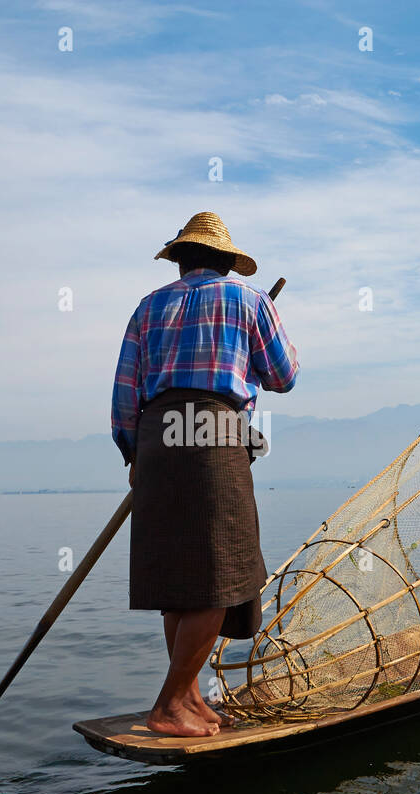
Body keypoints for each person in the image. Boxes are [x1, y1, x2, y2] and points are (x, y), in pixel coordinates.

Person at [111, 212, 299, 737]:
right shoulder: (250, 301)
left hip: (157, 436)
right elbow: (284, 377)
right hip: (211, 432)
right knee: (218, 572)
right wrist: (246, 358)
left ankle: (190, 699)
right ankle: (170, 704)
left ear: (181, 263)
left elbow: (125, 392)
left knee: (180, 577)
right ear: (226, 263)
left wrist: (133, 456)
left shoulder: (149, 307)